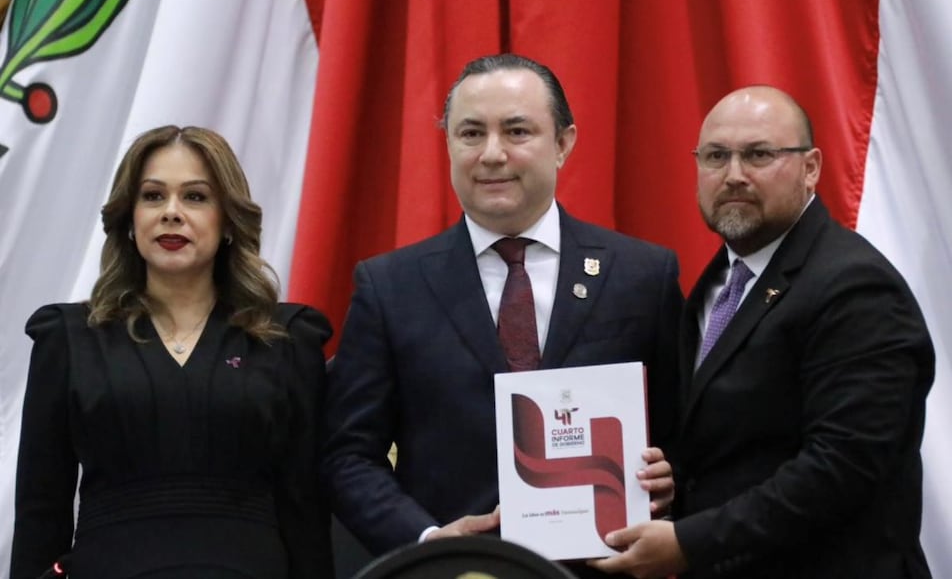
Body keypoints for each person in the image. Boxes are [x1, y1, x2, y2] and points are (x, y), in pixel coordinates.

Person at [322, 53, 683, 575]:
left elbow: (688, 433)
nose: (492, 154)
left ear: (563, 144)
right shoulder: (389, 287)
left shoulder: (642, 275)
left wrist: (670, 481)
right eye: (471, 133)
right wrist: (428, 540)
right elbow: (347, 456)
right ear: (448, 144)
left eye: (517, 131)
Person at [590, 85, 935, 578]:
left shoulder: (855, 287)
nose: (733, 175)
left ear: (811, 167)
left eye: (759, 155)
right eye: (715, 157)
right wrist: (674, 483)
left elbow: (841, 468)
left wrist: (690, 542)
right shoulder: (717, 283)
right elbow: (732, 446)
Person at [10, 126, 334, 579]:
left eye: (196, 197)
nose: (172, 213)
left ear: (227, 221)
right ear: (129, 218)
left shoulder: (286, 339)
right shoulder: (67, 338)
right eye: (153, 196)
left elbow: (306, 509)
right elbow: (41, 512)